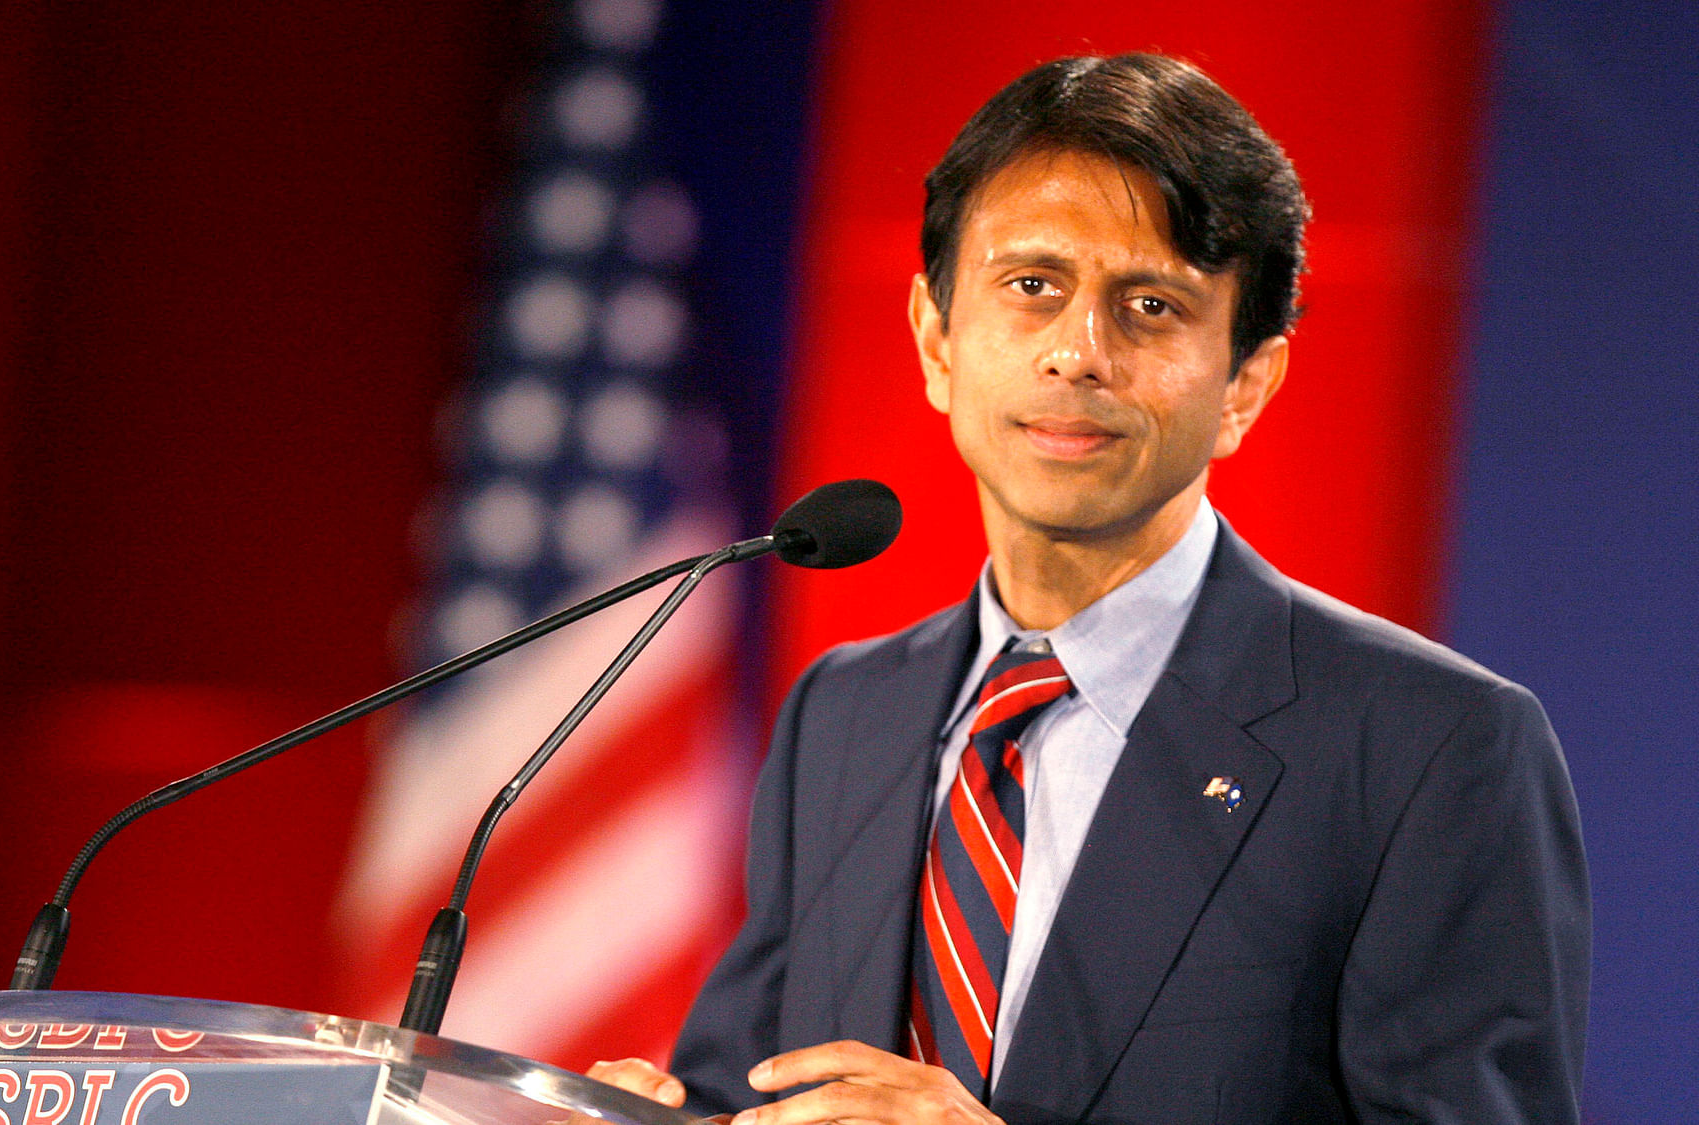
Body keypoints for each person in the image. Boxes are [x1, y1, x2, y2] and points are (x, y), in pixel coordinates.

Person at [592, 54, 1590, 1124]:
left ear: (1244, 383)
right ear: (935, 339)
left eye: (1149, 306)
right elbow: (749, 1090)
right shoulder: (843, 713)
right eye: (1032, 287)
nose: (1078, 352)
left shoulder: (1428, 748)